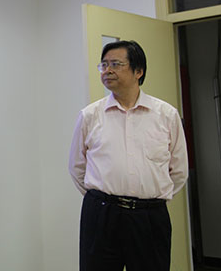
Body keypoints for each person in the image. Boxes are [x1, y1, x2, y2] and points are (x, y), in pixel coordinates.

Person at [68, 40, 188, 271]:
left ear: (138, 71)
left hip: (149, 217)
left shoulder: (166, 115)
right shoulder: (90, 115)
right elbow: (77, 167)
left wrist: (148, 198)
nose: (107, 70)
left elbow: (179, 169)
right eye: (103, 65)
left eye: (115, 64)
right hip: (102, 214)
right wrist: (103, 198)